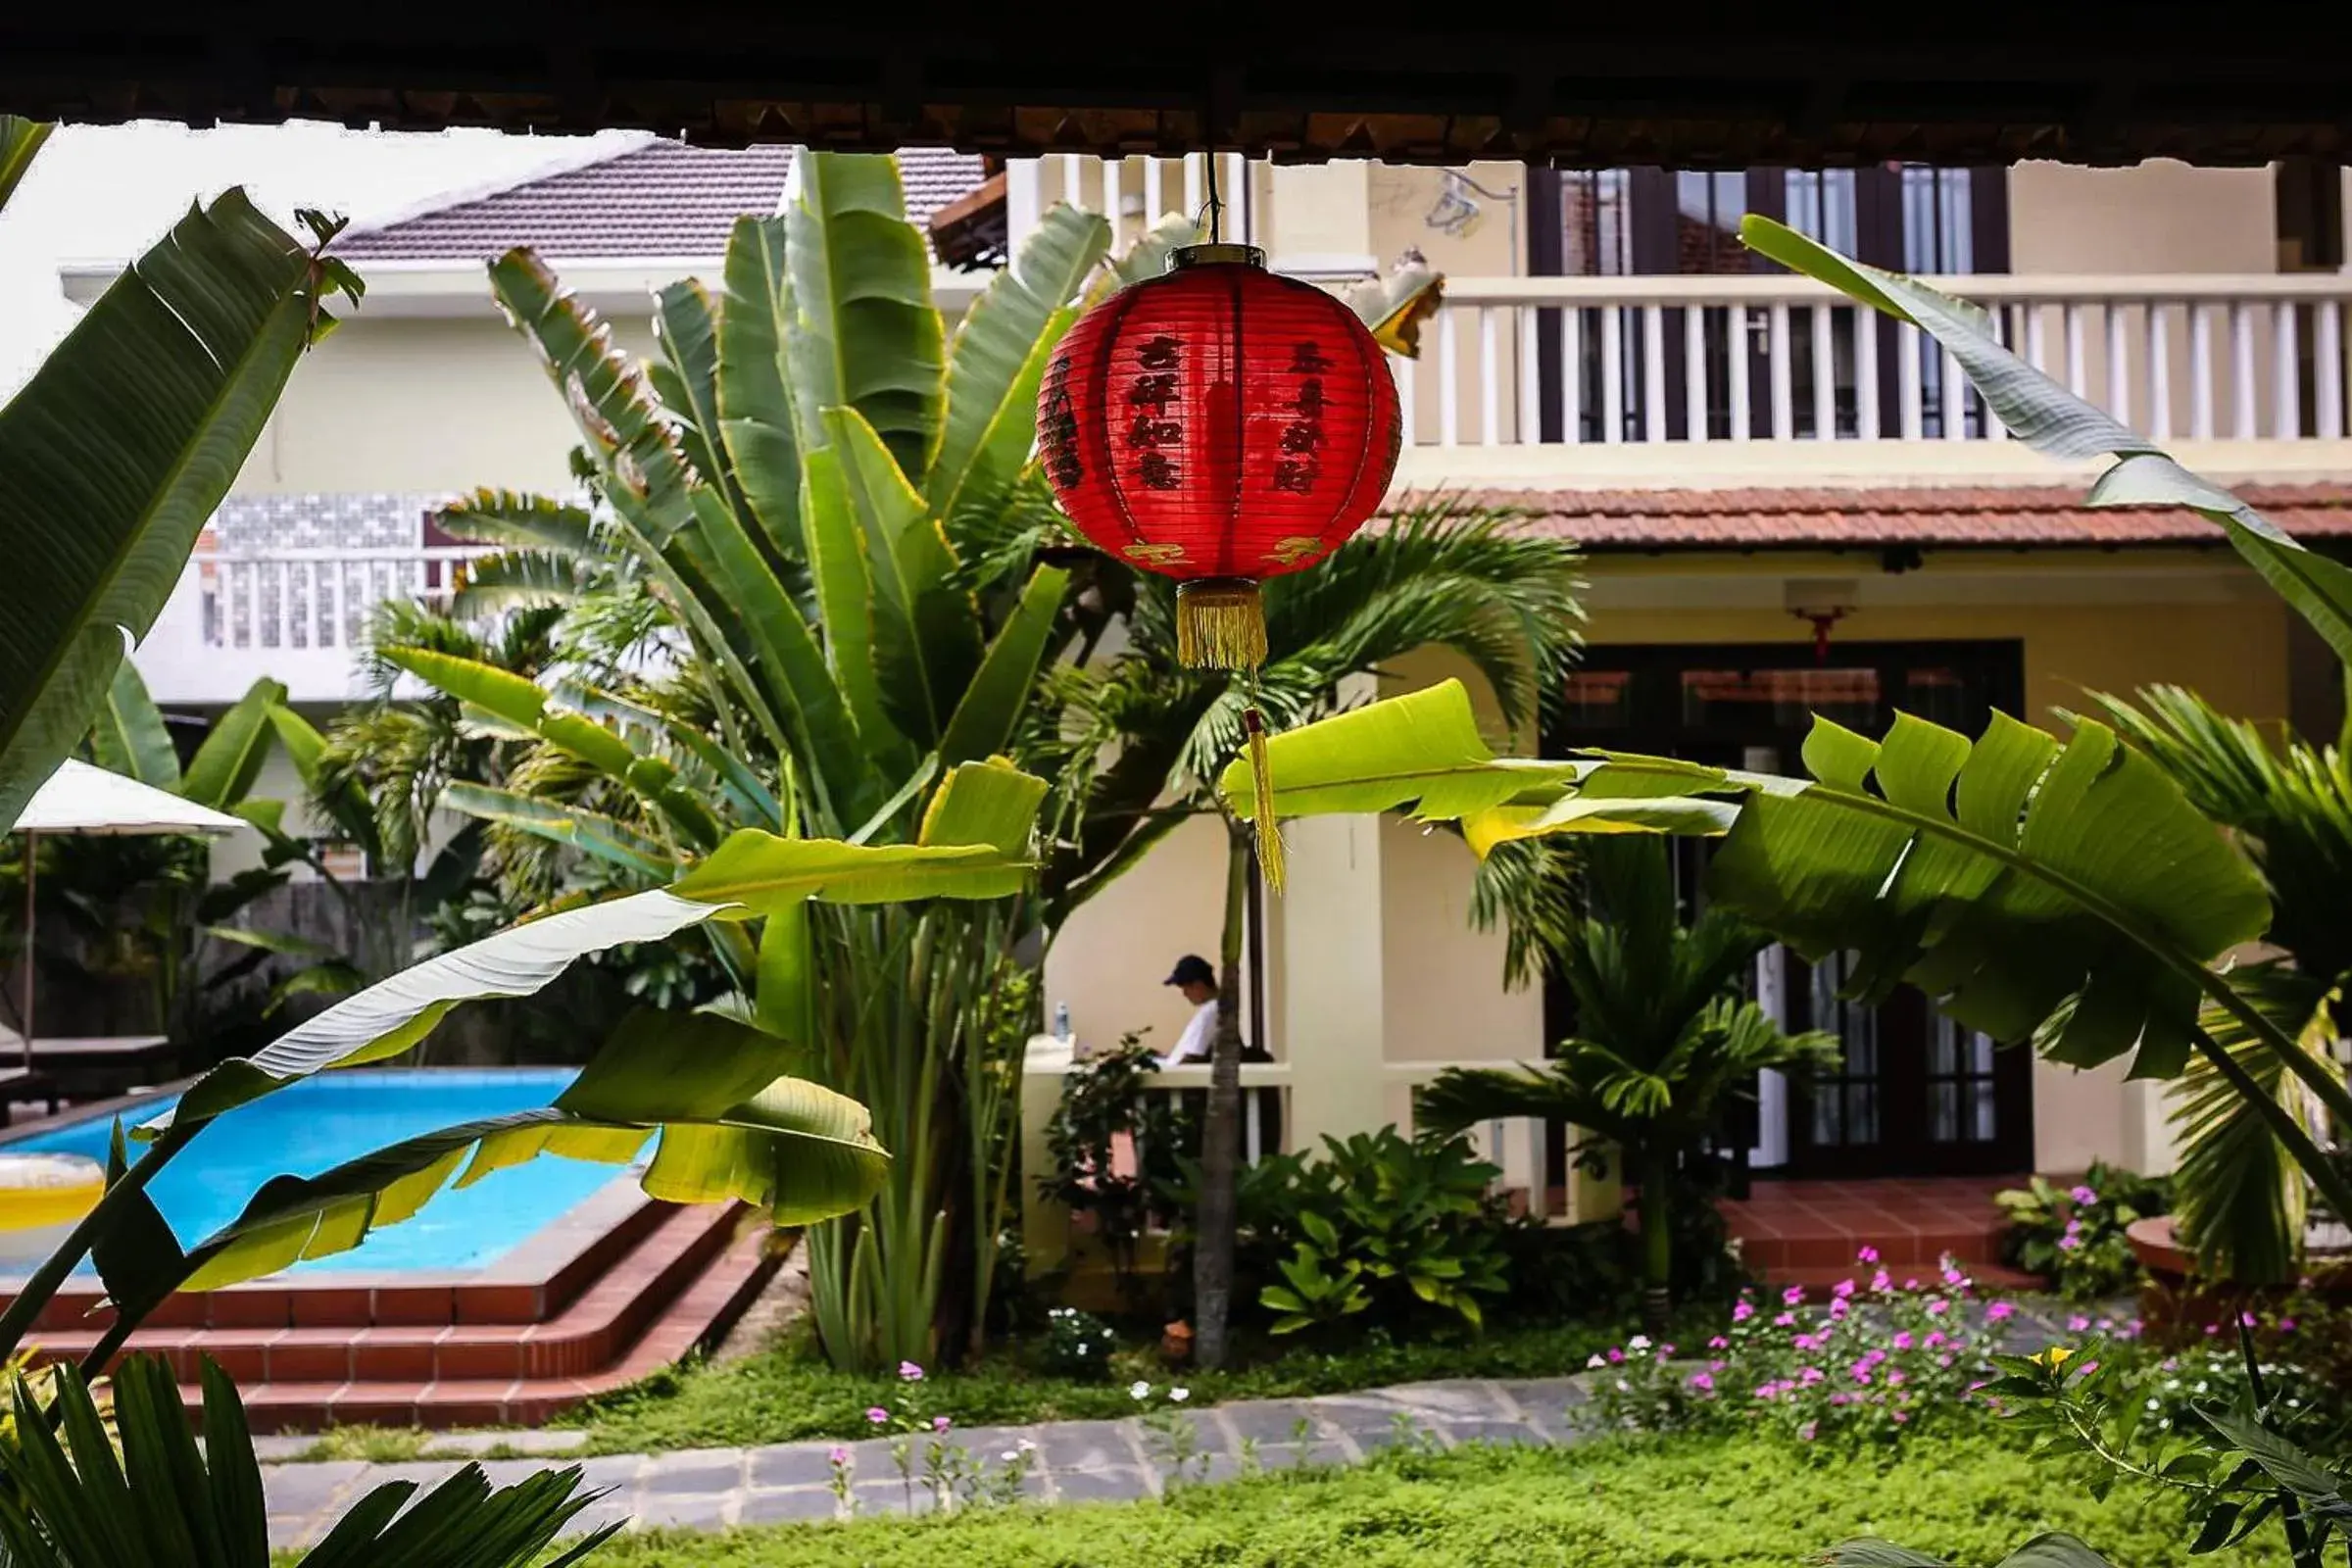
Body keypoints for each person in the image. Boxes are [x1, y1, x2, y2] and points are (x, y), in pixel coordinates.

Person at [1155, 954, 1220, 1069]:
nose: (1184, 994)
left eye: (1185, 987)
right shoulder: (1213, 1009)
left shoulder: (1210, 1013)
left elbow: (1191, 1058)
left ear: (1198, 985)